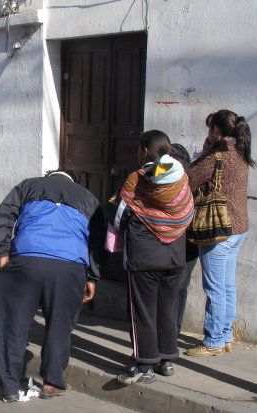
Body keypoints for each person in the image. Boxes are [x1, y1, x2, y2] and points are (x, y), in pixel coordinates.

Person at [0, 169, 104, 402]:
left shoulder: (28, 186)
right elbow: (97, 242)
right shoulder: (89, 198)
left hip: (26, 261)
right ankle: (52, 382)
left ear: (49, 176)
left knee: (12, 325)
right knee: (60, 326)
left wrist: (2, 252)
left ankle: (8, 388)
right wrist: (92, 277)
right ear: (73, 180)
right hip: (69, 268)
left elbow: (3, 215)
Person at [108, 130, 193, 385]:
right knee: (168, 307)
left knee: (142, 311)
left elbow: (120, 213)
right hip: (175, 254)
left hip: (144, 256)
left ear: (145, 151)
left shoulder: (139, 178)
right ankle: (166, 360)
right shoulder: (180, 178)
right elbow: (188, 209)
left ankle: (144, 363)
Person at [186, 110, 255, 357]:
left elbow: (189, 178)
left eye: (209, 129)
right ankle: (225, 335)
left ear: (216, 130)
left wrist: (205, 151)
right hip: (238, 227)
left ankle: (213, 340)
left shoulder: (217, 156)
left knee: (214, 286)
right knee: (226, 285)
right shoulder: (241, 153)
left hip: (218, 229)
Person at [169, 143, 199, 334]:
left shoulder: (179, 182)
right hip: (188, 243)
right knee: (180, 286)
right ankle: (173, 329)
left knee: (175, 287)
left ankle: (171, 328)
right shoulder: (194, 180)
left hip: (179, 242)